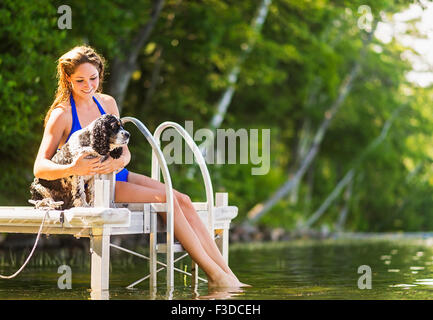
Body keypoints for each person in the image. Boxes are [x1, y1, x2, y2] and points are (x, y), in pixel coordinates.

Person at [33, 45, 246, 288]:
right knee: (165, 198)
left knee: (183, 199)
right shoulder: (62, 114)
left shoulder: (108, 103)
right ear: (68, 78)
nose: (88, 85)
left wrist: (122, 160)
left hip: (118, 175)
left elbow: (124, 151)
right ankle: (214, 277)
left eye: (93, 78)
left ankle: (229, 275)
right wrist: (73, 167)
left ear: (100, 74)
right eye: (80, 80)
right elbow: (40, 167)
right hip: (93, 189)